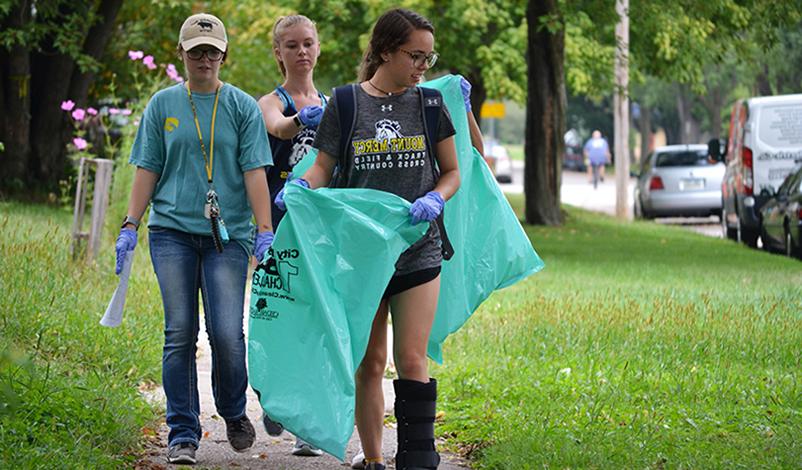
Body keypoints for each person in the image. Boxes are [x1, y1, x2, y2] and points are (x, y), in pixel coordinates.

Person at [275, 8, 459, 470]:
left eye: (428, 58)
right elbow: (323, 166)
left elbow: (453, 171)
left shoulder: (430, 105)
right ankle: (374, 459)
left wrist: (436, 198)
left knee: (412, 358)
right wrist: (302, 187)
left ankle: (418, 457)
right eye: (414, 56)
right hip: (360, 255)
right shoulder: (346, 103)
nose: (422, 66)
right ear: (384, 51)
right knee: (371, 361)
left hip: (418, 247)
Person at [114, 13, 274, 465]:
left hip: (227, 237)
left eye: (213, 51)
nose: (205, 58)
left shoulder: (241, 106)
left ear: (224, 55)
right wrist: (130, 224)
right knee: (179, 331)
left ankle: (233, 411)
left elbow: (254, 173)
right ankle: (182, 432)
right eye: (196, 50)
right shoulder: (162, 105)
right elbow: (147, 168)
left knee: (226, 331)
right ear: (181, 54)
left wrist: (265, 232)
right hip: (171, 233)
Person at [256, 14, 326, 458]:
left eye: (308, 43)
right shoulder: (269, 101)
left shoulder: (338, 101)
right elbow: (279, 128)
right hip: (279, 228)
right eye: (292, 45)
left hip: (319, 231)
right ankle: (273, 393)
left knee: (315, 323)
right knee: (279, 318)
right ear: (278, 53)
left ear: (318, 48)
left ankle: (307, 423)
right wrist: (304, 118)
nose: (301, 51)